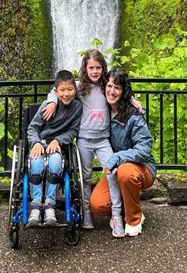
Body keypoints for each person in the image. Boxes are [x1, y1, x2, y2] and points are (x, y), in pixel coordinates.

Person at [43, 50, 142, 237]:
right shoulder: (80, 88)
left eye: (98, 67)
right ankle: (86, 213)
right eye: (91, 68)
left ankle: (117, 216)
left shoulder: (107, 86)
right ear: (85, 68)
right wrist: (52, 102)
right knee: (85, 178)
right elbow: (57, 92)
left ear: (103, 68)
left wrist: (132, 98)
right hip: (84, 140)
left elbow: (119, 92)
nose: (95, 71)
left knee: (112, 173)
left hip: (104, 140)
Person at [90, 68, 156, 237]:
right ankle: (123, 209)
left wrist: (118, 157)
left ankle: (134, 219)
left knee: (126, 172)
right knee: (97, 205)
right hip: (115, 170)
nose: (112, 91)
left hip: (140, 167)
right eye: (110, 86)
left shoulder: (133, 115)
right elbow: (74, 89)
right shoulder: (102, 108)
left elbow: (144, 149)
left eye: (117, 88)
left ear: (123, 91)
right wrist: (54, 95)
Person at [26, 69, 82, 227]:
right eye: (62, 90)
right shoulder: (47, 105)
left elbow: (73, 131)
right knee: (36, 163)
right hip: (40, 143)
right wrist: (36, 142)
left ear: (75, 90)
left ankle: (50, 204)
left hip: (58, 146)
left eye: (70, 90)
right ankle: (36, 205)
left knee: (56, 163)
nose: (66, 94)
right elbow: (33, 128)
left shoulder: (77, 107)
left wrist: (58, 140)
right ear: (55, 91)